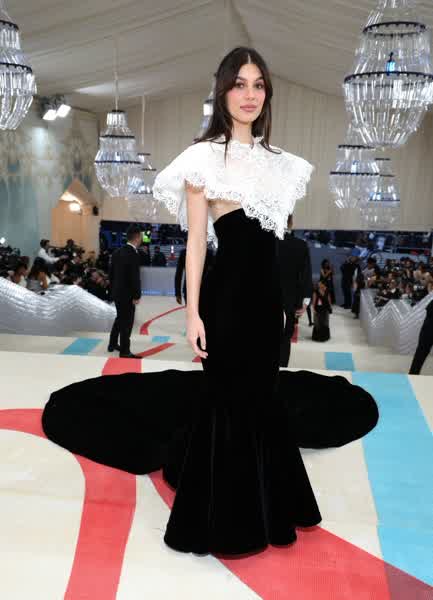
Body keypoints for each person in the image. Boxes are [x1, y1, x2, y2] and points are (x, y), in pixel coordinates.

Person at [42, 47, 378, 557]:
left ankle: (268, 506)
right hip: (226, 299)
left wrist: (283, 306)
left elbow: (274, 245)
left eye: (258, 85)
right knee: (227, 401)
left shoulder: (280, 164)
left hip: (265, 303)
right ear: (223, 91)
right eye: (239, 84)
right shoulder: (203, 158)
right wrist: (193, 312)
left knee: (263, 398)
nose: (250, 94)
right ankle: (228, 518)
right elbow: (197, 243)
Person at [276, 214, 312, 367]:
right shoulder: (300, 245)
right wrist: (305, 301)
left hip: (262, 299)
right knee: (285, 340)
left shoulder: (259, 242)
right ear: (291, 222)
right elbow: (305, 275)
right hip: (289, 302)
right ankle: (280, 374)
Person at [108, 224, 142, 358]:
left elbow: (111, 274)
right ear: (137, 237)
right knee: (127, 323)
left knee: (120, 318)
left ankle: (112, 344)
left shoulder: (117, 252)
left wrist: (113, 290)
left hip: (117, 293)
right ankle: (125, 351)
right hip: (127, 295)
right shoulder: (133, 254)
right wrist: (137, 295)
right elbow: (134, 277)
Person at [409, 299, 433, 374]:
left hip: (429, 326)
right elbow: (429, 310)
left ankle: (413, 374)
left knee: (421, 353)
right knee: (421, 353)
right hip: (429, 327)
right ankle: (413, 374)